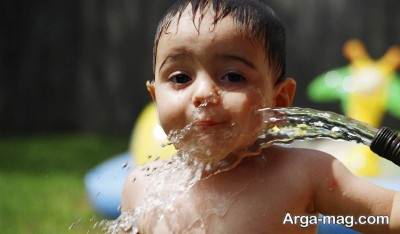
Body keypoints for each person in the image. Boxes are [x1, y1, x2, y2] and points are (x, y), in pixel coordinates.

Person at [121, 0, 400, 233]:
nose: (203, 93)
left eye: (232, 76)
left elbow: (387, 215)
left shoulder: (304, 174)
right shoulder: (141, 186)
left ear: (279, 101)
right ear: (156, 97)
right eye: (181, 77)